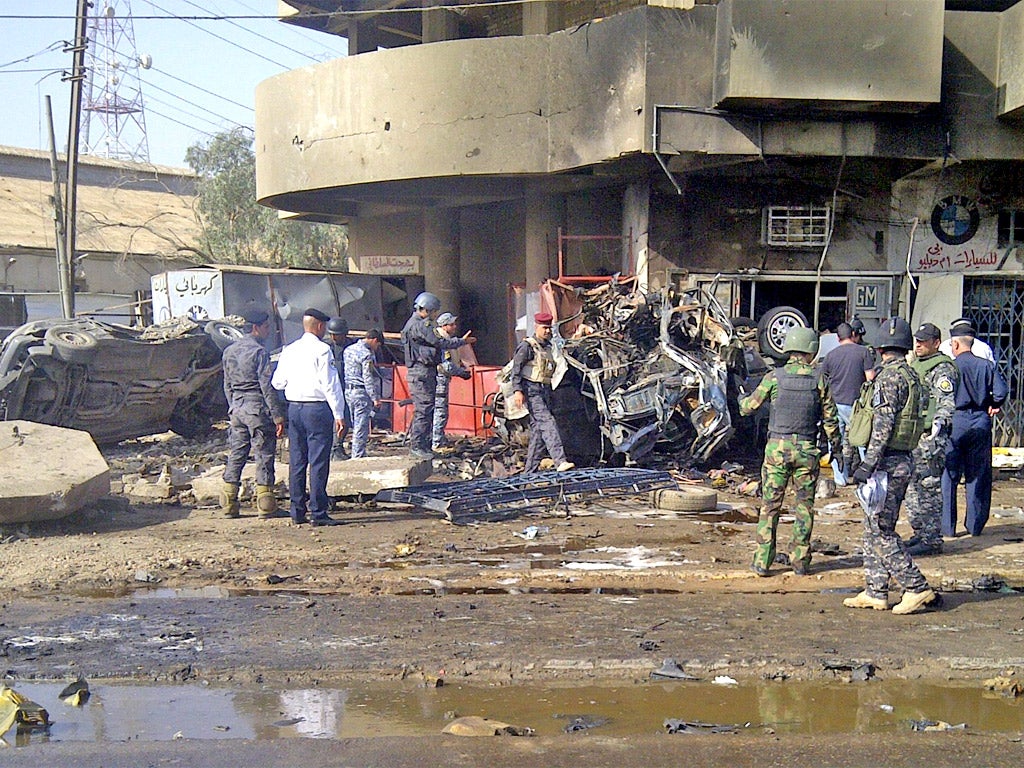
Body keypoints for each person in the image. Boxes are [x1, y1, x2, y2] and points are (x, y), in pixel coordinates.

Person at [843, 317, 936, 615]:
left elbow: (882, 424)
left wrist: (867, 464)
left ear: (881, 348)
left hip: (885, 463)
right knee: (873, 528)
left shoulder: (888, 378)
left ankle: (916, 586)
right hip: (900, 459)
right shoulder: (911, 376)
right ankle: (875, 590)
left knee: (881, 530)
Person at [739, 327, 841, 577]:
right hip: (807, 450)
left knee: (770, 506)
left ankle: (763, 561)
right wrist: (836, 447)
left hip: (777, 450)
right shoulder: (818, 379)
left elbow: (748, 408)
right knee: (804, 507)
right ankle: (800, 561)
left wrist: (740, 399)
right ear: (811, 349)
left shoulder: (774, 377)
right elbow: (831, 421)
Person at [271, 308, 346, 526]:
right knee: (319, 462)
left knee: (297, 461)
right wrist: (339, 414)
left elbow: (277, 382)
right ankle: (318, 513)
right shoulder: (323, 350)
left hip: (295, 408)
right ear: (320, 326)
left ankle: (297, 512)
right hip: (317, 409)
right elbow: (330, 384)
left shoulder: (289, 350)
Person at [219, 310, 286, 519]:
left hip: (237, 409)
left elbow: (227, 384)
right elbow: (266, 386)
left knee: (237, 453)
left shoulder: (229, 351)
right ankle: (265, 504)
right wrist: (277, 416)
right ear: (256, 328)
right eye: (266, 327)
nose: (269, 330)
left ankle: (229, 503)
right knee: (264, 454)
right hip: (257, 409)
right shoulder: (259, 352)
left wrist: (233, 407)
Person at [941, 331, 1008, 537]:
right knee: (977, 474)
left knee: (949, 475)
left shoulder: (950, 367)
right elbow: (1001, 391)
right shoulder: (986, 365)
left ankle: (947, 527)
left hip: (955, 420)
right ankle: (974, 525)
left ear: (956, 345)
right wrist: (993, 404)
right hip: (979, 420)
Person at [903, 322, 958, 556]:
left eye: (924, 341)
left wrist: (937, 427)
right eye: (917, 340)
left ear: (936, 343)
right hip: (914, 436)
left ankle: (932, 538)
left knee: (929, 487)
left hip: (929, 438)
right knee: (913, 488)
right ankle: (921, 533)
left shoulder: (942, 368)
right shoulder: (918, 364)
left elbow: (946, 401)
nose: (919, 344)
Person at [400, 292, 476, 460]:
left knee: (427, 409)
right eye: (434, 312)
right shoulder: (421, 325)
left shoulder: (414, 324)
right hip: (421, 371)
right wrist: (461, 342)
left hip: (423, 371)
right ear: (427, 310)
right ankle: (418, 446)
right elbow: (439, 343)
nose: (435, 316)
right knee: (424, 410)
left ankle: (424, 446)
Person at [510, 312, 575, 474]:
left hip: (544, 390)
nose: (547, 331)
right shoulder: (527, 347)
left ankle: (528, 473)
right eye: (544, 328)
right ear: (536, 327)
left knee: (539, 433)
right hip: (531, 390)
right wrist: (518, 391)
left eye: (549, 328)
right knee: (548, 423)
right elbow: (515, 370)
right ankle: (560, 460)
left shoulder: (547, 347)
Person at [820, 321, 876, 485]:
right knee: (862, 440)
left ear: (838, 338)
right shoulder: (863, 352)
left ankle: (840, 478)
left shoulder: (830, 355)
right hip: (856, 405)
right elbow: (870, 378)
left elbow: (823, 380)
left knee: (835, 442)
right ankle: (868, 478)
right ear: (853, 335)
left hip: (835, 404)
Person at [432, 312, 471, 453]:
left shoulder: (444, 338)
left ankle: (438, 439)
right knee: (440, 411)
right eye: (452, 324)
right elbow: (446, 365)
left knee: (439, 410)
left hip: (440, 378)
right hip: (439, 379)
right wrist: (462, 373)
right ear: (444, 325)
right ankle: (436, 443)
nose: (455, 326)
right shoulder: (442, 340)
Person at [343, 329, 384, 459]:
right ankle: (358, 456)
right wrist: (375, 398)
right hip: (361, 392)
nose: (376, 348)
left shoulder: (348, 350)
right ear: (374, 340)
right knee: (361, 427)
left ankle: (357, 453)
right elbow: (368, 378)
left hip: (348, 391)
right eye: (377, 345)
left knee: (355, 424)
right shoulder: (366, 354)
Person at [326, 318, 351, 458]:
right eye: (332, 334)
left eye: (337, 334)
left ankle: (339, 445)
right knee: (334, 420)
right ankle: (333, 448)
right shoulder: (327, 348)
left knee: (345, 420)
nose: (334, 337)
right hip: (332, 389)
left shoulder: (350, 346)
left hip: (346, 388)